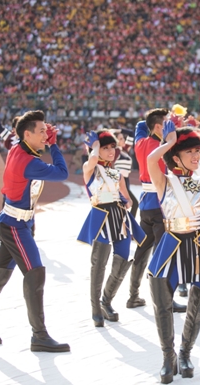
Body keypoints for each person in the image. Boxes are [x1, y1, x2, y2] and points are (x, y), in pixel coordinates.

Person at [0, 110, 70, 352]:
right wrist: (54, 146)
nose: (47, 133)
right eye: (42, 130)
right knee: (35, 272)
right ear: (27, 134)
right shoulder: (29, 162)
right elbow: (62, 172)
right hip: (16, 225)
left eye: (47, 130)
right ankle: (39, 335)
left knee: (1, 272)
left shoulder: (19, 148)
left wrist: (44, 138)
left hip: (13, 222)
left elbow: (25, 145)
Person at [146, 123, 200, 384]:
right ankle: (167, 358)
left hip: (199, 246)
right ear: (175, 156)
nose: (197, 156)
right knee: (163, 302)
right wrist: (169, 140)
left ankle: (185, 354)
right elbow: (152, 159)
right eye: (190, 152)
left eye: (198, 151)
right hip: (171, 243)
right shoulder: (163, 180)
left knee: (199, 301)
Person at [77, 129, 145, 327]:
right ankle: (95, 309)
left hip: (119, 217)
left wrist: (125, 204)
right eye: (105, 148)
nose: (110, 151)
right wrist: (95, 146)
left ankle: (106, 301)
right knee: (99, 264)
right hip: (101, 217)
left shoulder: (117, 174)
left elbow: (127, 199)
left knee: (122, 259)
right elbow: (91, 161)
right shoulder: (89, 167)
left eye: (112, 147)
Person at [126, 108, 187, 310]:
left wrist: (160, 121)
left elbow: (140, 126)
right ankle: (165, 300)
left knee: (142, 251)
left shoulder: (140, 142)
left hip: (145, 204)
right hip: (162, 205)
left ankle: (133, 295)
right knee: (165, 253)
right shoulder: (164, 149)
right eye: (167, 123)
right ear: (159, 126)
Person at [114, 129, 138, 217]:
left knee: (128, 205)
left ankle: (127, 224)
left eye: (123, 138)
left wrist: (120, 130)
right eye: (120, 139)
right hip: (119, 181)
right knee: (133, 204)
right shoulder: (115, 151)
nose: (123, 140)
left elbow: (131, 133)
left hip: (126, 181)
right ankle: (129, 224)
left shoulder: (125, 149)